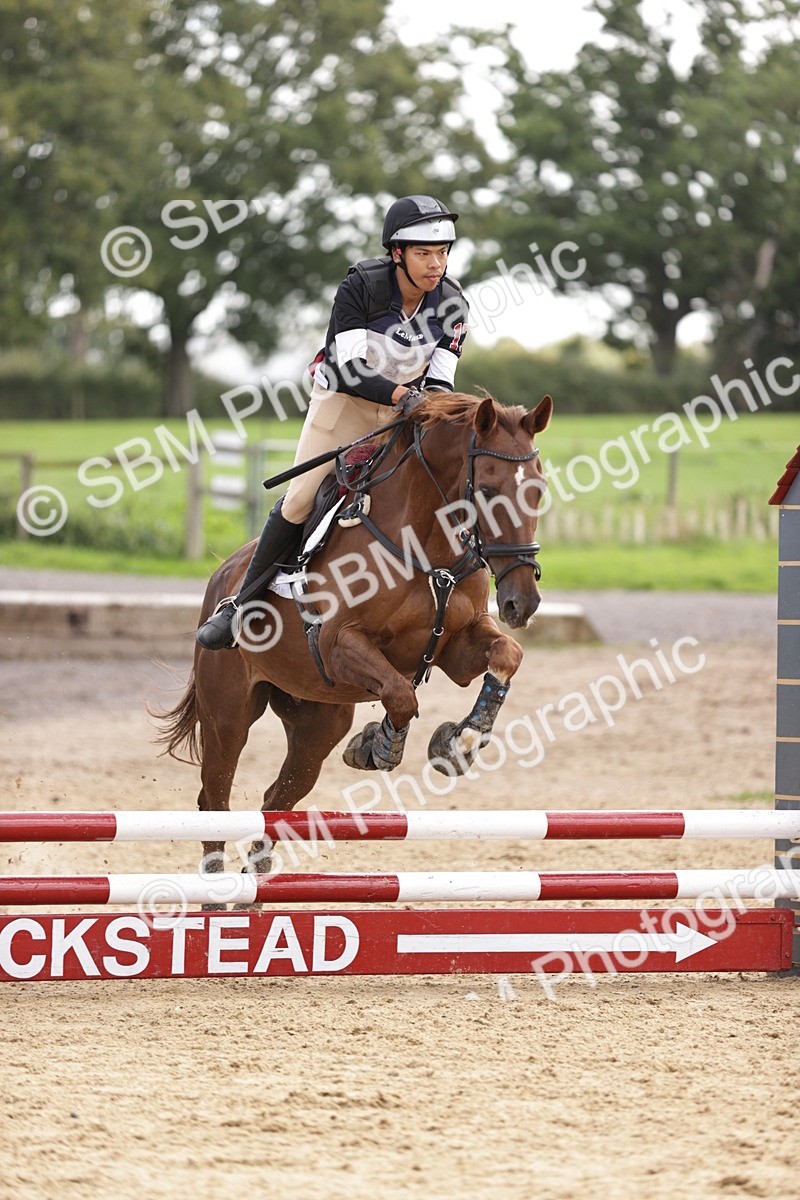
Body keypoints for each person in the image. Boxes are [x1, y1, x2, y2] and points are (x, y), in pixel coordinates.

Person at [196, 194, 470, 650]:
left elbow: (440, 382)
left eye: (442, 253)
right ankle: (241, 605)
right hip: (344, 402)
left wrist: (428, 407)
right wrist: (407, 396)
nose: (435, 264)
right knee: (303, 498)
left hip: (407, 410)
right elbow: (349, 369)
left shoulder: (453, 305)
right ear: (397, 254)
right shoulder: (360, 287)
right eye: (424, 253)